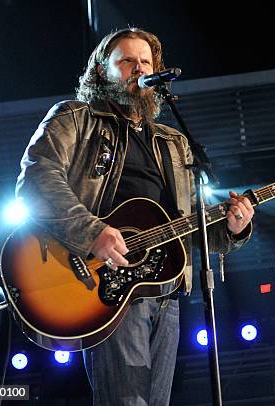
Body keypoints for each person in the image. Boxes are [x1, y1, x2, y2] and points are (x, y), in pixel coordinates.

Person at [16, 28, 254, 405]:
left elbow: (189, 223)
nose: (137, 68)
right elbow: (36, 178)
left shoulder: (171, 142)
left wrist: (232, 229)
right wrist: (93, 232)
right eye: (126, 61)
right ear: (102, 71)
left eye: (145, 62)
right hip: (105, 283)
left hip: (165, 288)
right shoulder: (75, 118)